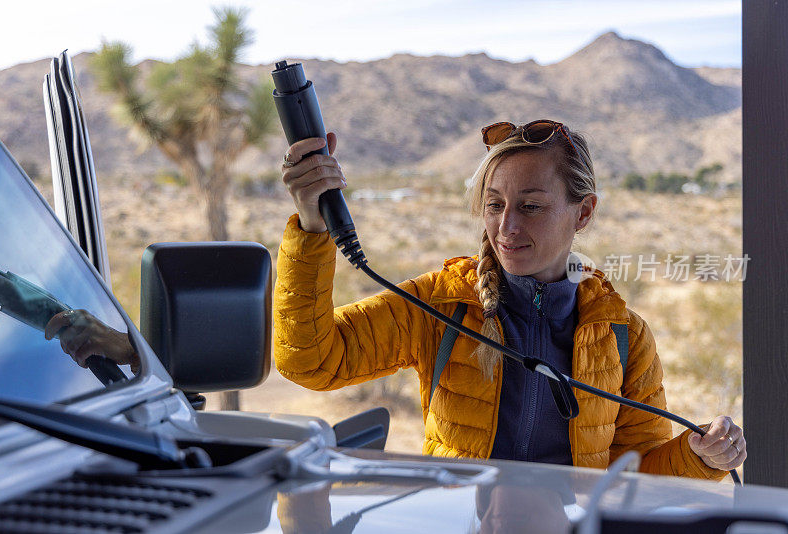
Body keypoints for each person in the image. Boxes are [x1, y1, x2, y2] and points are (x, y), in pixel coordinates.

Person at [273, 120, 746, 480]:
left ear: (583, 212)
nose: (507, 227)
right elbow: (312, 360)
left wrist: (698, 455)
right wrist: (314, 226)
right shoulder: (441, 304)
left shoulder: (623, 335)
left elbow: (636, 472)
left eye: (531, 206)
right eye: (495, 204)